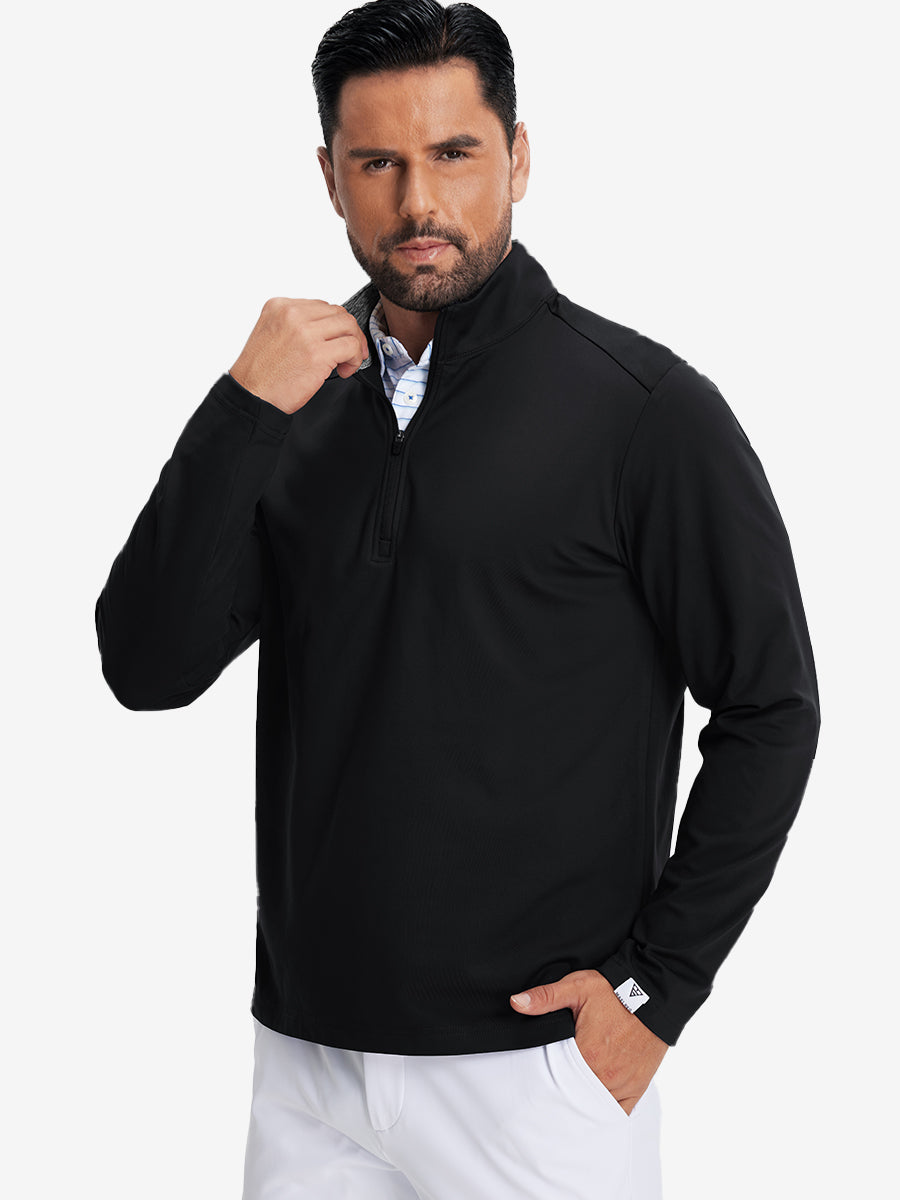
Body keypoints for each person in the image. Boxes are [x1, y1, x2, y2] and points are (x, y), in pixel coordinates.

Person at [94, 1, 821, 1196]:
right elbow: (146, 667)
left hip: (537, 1070)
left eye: (454, 153)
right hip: (310, 1063)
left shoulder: (644, 411)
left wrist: (657, 990)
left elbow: (772, 707)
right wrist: (239, 412)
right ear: (330, 177)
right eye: (378, 162)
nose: (417, 201)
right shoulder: (291, 408)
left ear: (518, 158)